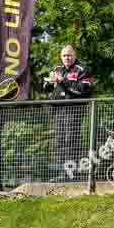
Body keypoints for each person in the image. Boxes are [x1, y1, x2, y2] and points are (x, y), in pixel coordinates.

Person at [45, 45, 93, 181]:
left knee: (71, 140)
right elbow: (48, 88)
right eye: (64, 55)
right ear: (61, 57)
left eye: (69, 55)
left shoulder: (82, 70)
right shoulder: (57, 69)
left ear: (74, 56)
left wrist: (63, 81)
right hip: (58, 109)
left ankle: (72, 173)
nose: (67, 58)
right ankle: (62, 173)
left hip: (74, 110)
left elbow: (83, 90)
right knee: (60, 141)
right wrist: (49, 82)